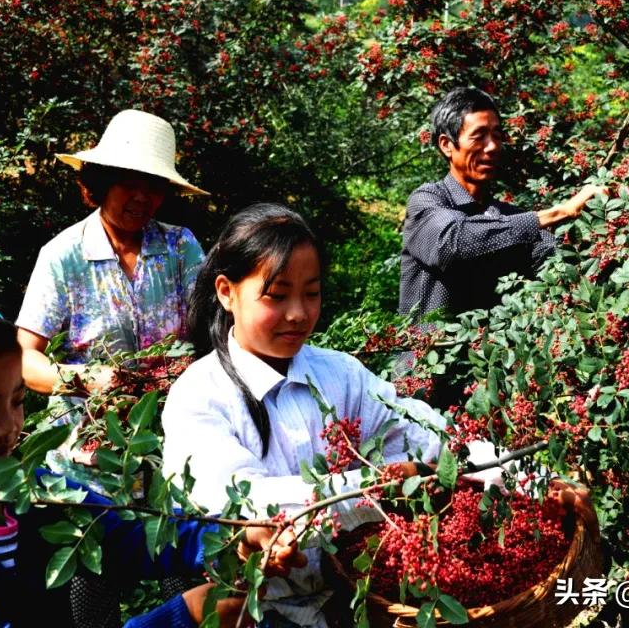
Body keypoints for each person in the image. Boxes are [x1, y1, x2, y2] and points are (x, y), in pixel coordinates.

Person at [0, 287, 300, 628]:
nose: (8, 429)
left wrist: (235, 537)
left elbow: (132, 533)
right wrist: (181, 618)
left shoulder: (29, 491)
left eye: (17, 401)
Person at [161, 204, 506, 627]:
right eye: (277, 294)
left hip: (351, 604)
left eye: (311, 292)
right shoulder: (199, 396)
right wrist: (382, 485)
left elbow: (428, 435)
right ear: (226, 291)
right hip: (250, 612)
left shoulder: (340, 375)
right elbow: (244, 505)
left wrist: (522, 474)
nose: (298, 313)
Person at [15, 109, 207, 477]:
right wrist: (89, 380)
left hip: (171, 436)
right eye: (128, 182)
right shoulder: (64, 255)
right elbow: (25, 359)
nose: (141, 197)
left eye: (153, 185)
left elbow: (214, 333)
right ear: (101, 182)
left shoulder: (180, 247)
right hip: (85, 446)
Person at [399, 86, 608, 317]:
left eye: (497, 136)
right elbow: (452, 244)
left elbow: (565, 257)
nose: (492, 147)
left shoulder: (508, 217)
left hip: (492, 352)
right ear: (447, 145)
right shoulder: (427, 201)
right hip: (430, 352)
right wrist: (560, 212)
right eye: (479, 136)